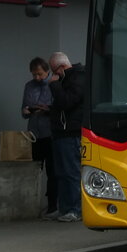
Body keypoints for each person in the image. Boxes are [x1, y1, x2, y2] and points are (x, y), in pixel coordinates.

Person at [48, 51, 86, 222]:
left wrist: (55, 86)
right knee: (61, 172)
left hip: (71, 132)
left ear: (62, 67)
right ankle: (64, 207)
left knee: (71, 171)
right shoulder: (66, 79)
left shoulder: (78, 78)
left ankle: (75, 209)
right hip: (60, 132)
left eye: (54, 71)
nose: (53, 75)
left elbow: (67, 102)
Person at [21, 56, 58, 219]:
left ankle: (52, 206)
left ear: (47, 71)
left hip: (50, 132)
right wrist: (26, 111)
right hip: (34, 133)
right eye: (34, 74)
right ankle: (33, 205)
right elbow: (23, 108)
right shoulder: (29, 86)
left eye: (40, 74)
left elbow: (59, 107)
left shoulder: (54, 84)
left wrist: (47, 110)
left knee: (52, 170)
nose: (37, 78)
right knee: (34, 170)